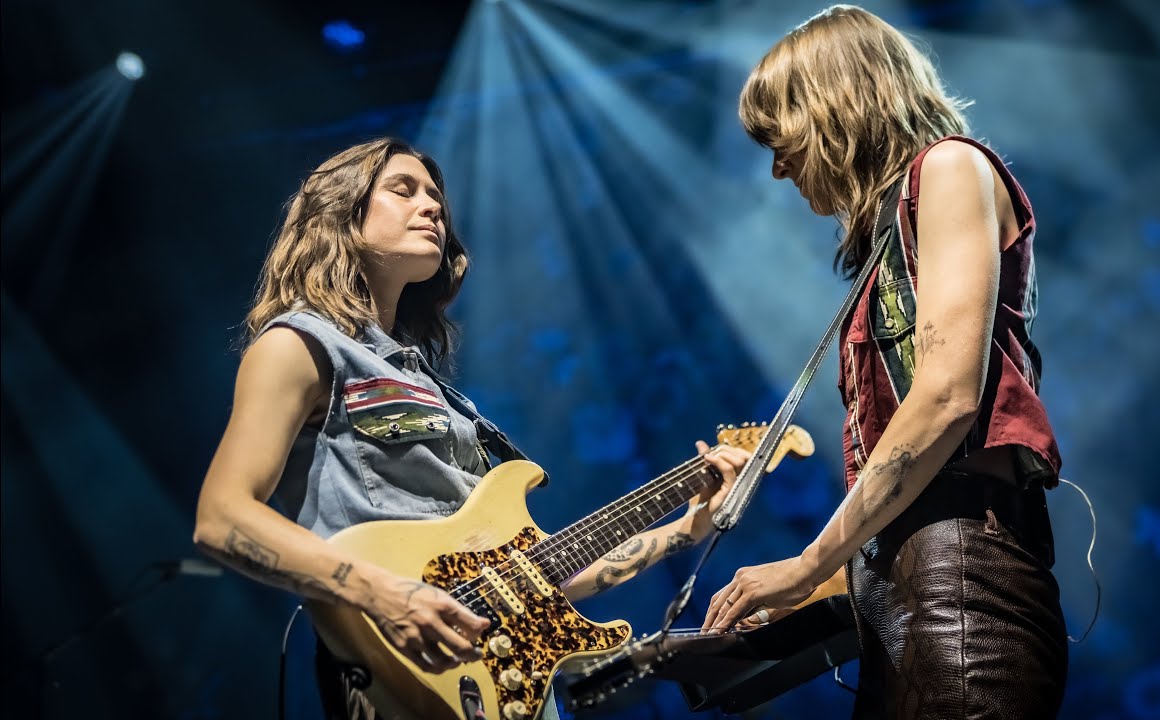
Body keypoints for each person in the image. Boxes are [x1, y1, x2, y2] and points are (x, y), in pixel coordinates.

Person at [192, 137, 751, 720]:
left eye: (435, 195)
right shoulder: (298, 345)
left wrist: (688, 527)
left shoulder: (433, 387)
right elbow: (222, 515)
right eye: (403, 190)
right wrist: (387, 594)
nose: (433, 206)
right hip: (396, 671)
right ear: (342, 217)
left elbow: (528, 583)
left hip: (501, 687)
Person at [701, 6, 1068, 718]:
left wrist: (809, 561)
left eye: (782, 140)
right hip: (902, 590)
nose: (778, 169)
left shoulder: (950, 166)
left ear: (838, 107)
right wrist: (816, 586)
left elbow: (944, 401)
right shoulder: (890, 239)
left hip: (963, 580)